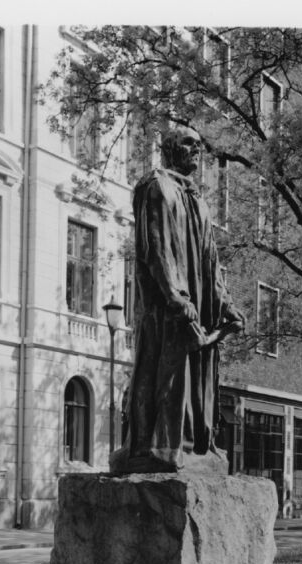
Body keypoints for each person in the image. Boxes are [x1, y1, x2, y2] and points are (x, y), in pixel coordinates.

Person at [110, 126, 244, 473]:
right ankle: (158, 447)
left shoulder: (196, 199)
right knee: (165, 373)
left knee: (195, 380)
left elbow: (210, 260)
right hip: (167, 309)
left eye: (199, 146)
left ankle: (193, 447)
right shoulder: (157, 187)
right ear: (169, 149)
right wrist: (175, 297)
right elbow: (157, 247)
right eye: (188, 144)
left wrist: (225, 302)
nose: (196, 151)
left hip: (199, 306)